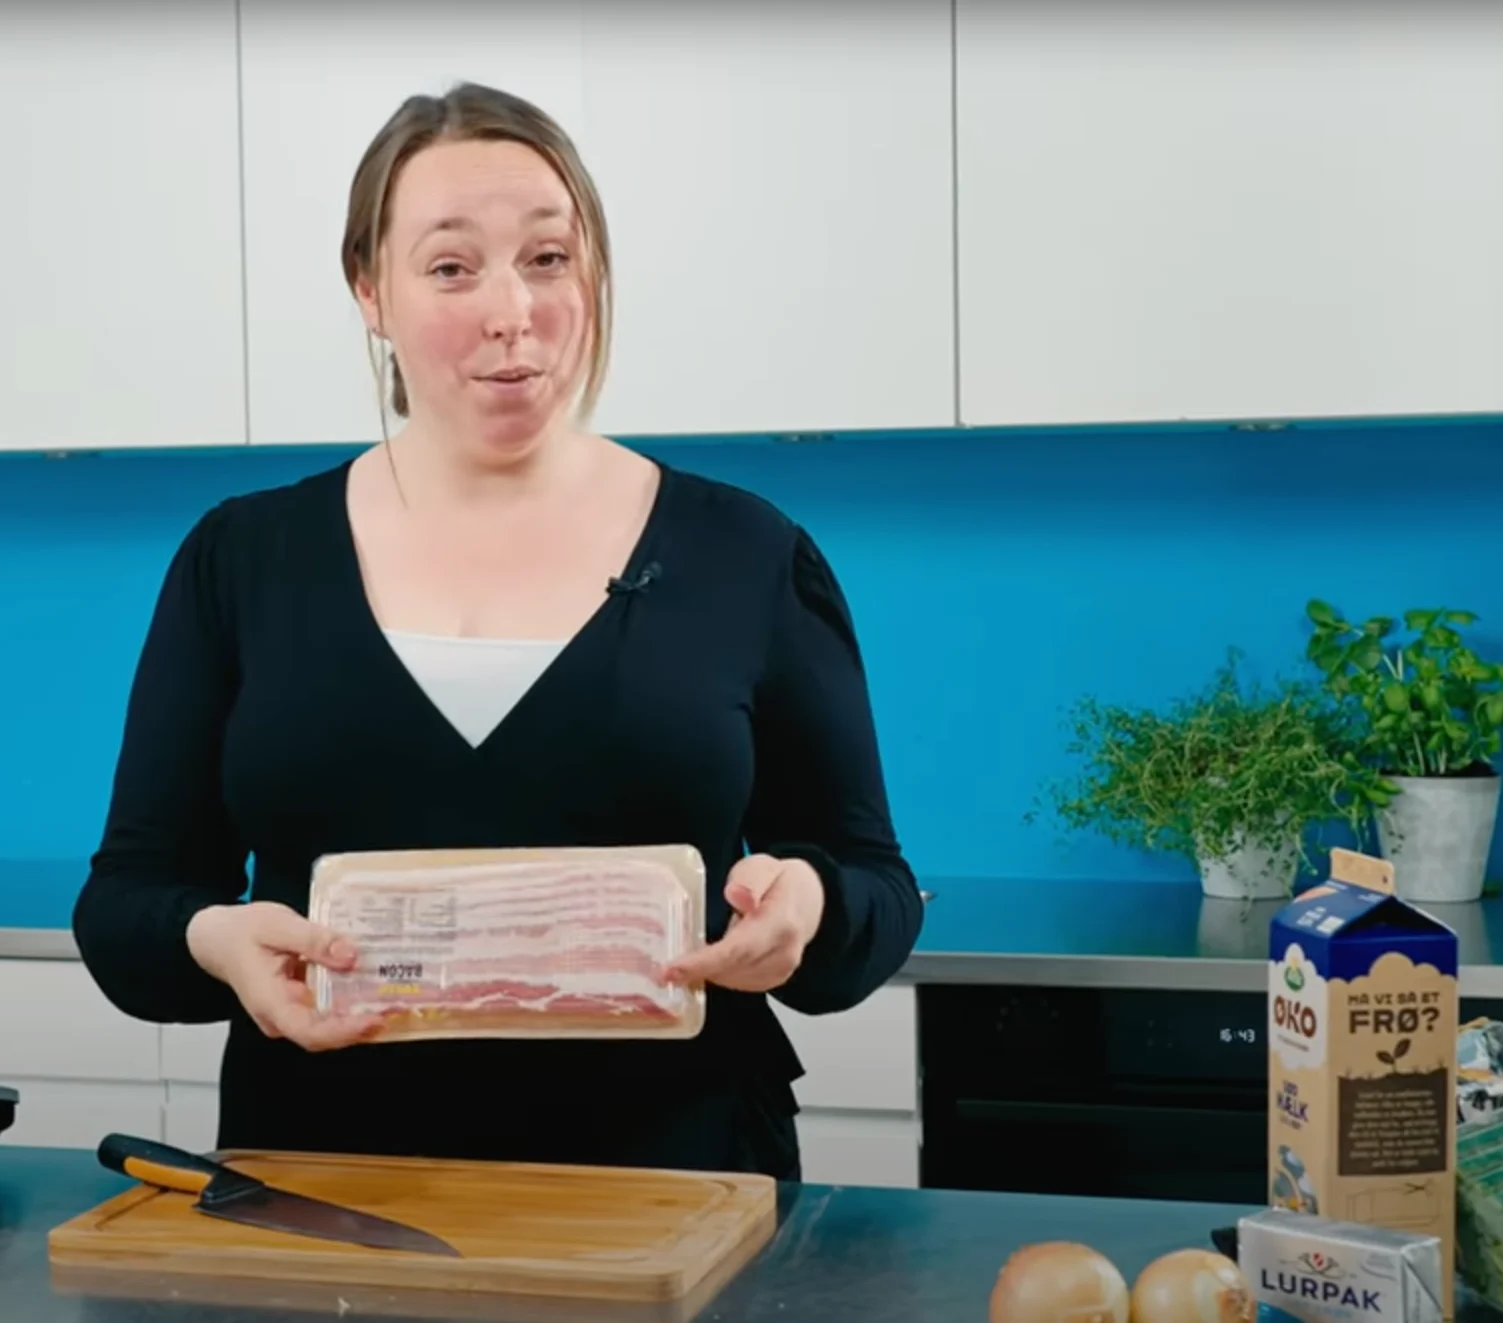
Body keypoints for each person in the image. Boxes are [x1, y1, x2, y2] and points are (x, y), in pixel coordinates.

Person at [71, 81, 922, 1179]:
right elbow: (125, 908)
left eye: (548, 258)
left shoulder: (747, 553)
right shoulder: (239, 561)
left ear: (593, 273)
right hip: (325, 1195)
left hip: (678, 1191)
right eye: (449, 267)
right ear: (368, 289)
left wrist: (809, 905)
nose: (510, 310)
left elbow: (873, 885)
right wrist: (212, 940)